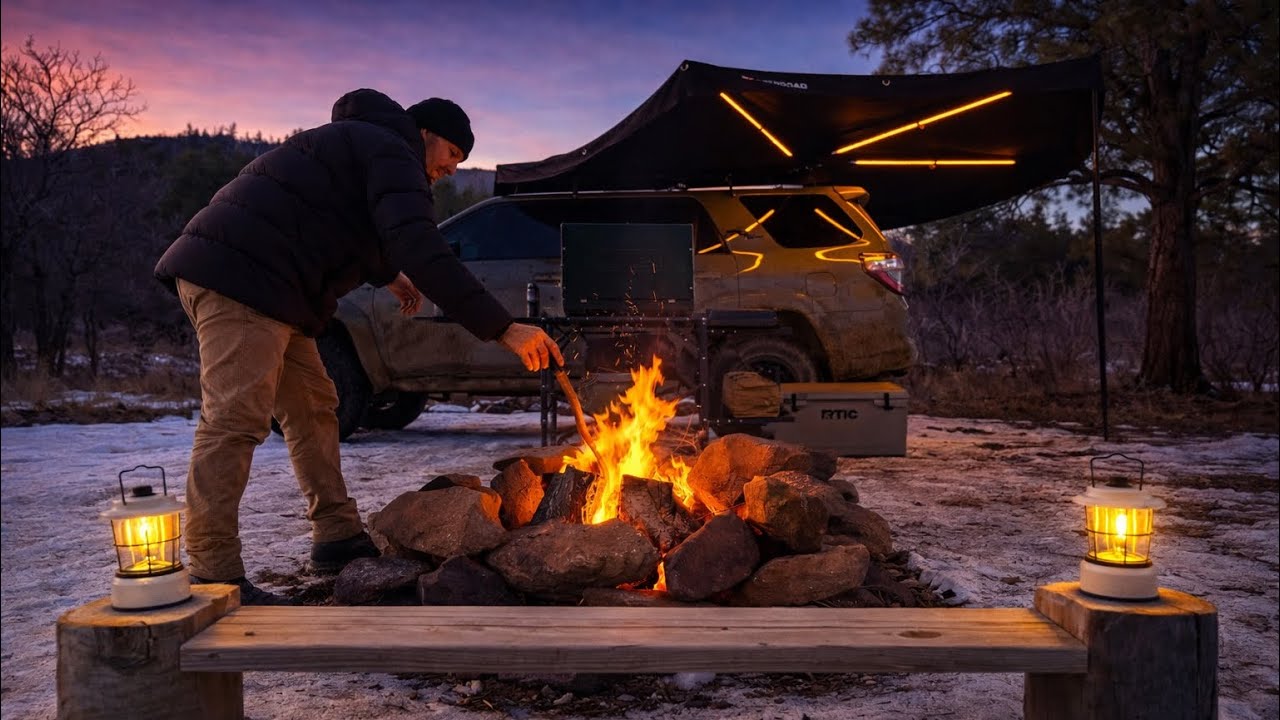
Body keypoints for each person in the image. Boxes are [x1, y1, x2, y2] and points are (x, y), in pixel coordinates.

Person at [154, 89, 564, 605]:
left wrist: (386, 274)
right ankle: (214, 573)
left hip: (272, 287)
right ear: (426, 136)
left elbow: (334, 214)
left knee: (314, 408)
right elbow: (418, 239)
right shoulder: (392, 150)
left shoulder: (365, 145)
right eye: (454, 155)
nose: (454, 169)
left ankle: (337, 536)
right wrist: (504, 328)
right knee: (236, 418)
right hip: (243, 279)